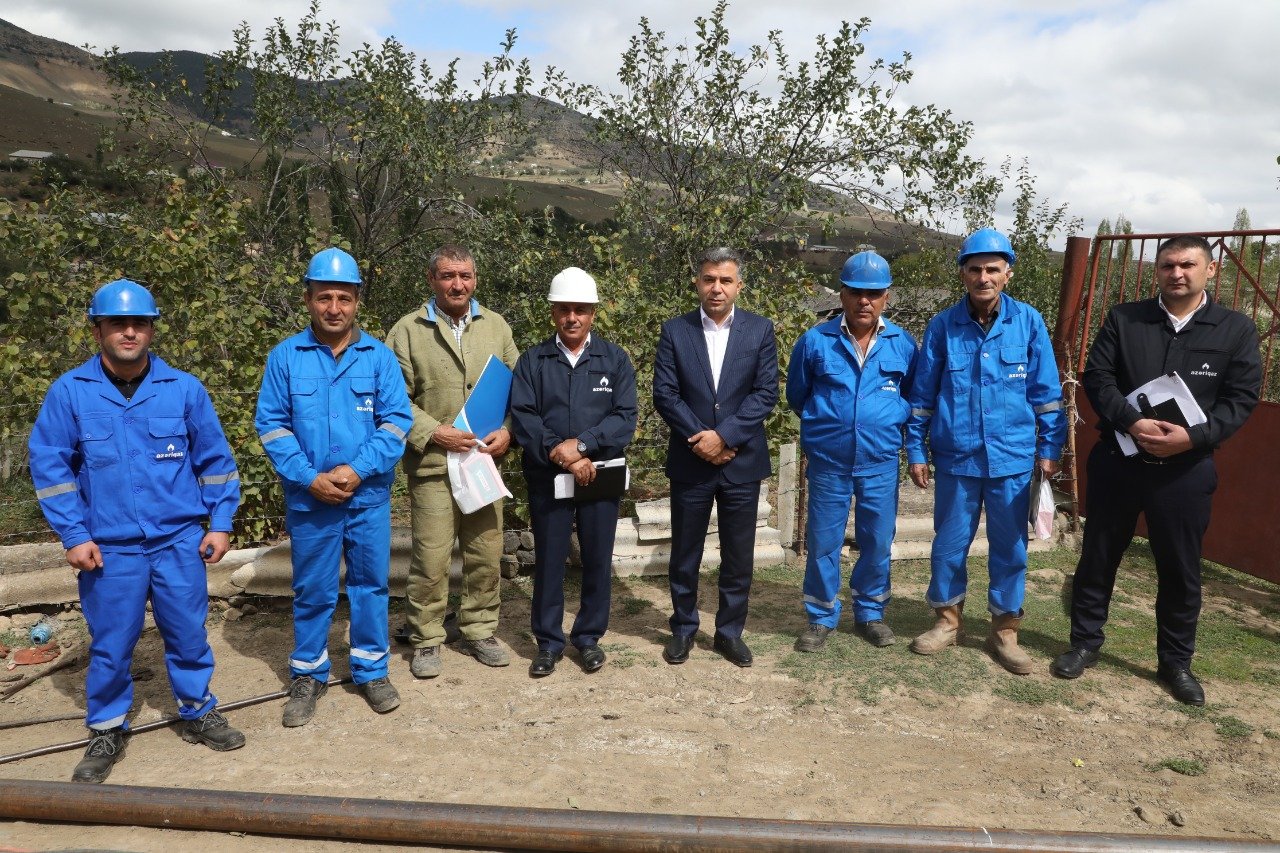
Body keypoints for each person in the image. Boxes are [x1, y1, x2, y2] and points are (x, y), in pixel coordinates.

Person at [28, 278, 245, 783]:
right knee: (111, 641)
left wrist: (221, 522)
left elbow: (215, 461)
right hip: (110, 547)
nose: (129, 333)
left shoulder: (183, 389)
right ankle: (106, 726)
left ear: (152, 329)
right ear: (97, 328)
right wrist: (74, 535)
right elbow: (51, 470)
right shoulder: (70, 393)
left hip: (177, 541)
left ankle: (196, 708)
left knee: (189, 633)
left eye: (139, 324)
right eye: (118, 324)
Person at [1051, 235, 1261, 705]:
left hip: (1186, 471)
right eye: (1168, 265)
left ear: (1211, 271)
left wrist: (1194, 438)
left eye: (1188, 265)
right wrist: (1132, 420)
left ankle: (1176, 663)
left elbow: (1240, 399)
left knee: (1181, 569)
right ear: (1158, 271)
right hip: (1119, 462)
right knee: (1099, 556)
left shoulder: (1235, 330)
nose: (1177, 273)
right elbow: (1097, 377)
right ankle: (1084, 643)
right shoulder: (1125, 319)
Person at [256, 248, 412, 726]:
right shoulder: (286, 358)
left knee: (371, 584)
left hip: (367, 498)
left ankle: (370, 669)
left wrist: (357, 470)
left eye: (344, 298)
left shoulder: (379, 359)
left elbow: (397, 423)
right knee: (313, 587)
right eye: (324, 297)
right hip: (311, 499)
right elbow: (272, 426)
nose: (334, 308)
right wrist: (309, 478)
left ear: (357, 301)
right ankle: (308, 674)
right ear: (308, 299)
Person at [905, 228, 1066, 674]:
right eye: (975, 269)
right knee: (950, 544)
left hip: (1012, 458)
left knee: (1010, 547)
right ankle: (947, 621)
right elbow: (922, 397)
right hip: (957, 457)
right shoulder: (942, 327)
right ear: (963, 275)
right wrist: (915, 450)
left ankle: (1005, 631)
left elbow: (1047, 395)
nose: (983, 277)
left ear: (1007, 274)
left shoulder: (1029, 322)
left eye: (992, 269)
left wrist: (1050, 447)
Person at [387, 245, 519, 678]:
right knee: (432, 556)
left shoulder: (496, 326)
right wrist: (433, 431)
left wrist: (509, 430)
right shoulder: (407, 330)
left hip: (482, 462)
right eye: (447, 276)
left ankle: (479, 628)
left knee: (485, 551)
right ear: (431, 280)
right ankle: (426, 637)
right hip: (434, 464)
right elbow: (393, 399)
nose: (457, 284)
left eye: (464, 275)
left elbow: (520, 386)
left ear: (475, 279)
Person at [653, 247, 779, 667]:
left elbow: (765, 394)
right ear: (698, 282)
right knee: (685, 553)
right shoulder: (675, 331)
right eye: (709, 279)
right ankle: (684, 630)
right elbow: (665, 395)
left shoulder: (760, 331)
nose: (717, 288)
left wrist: (724, 437)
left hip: (741, 462)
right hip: (691, 460)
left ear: (739, 286)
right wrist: (700, 439)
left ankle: (729, 632)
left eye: (725, 280)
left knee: (738, 555)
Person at [786, 251, 917, 652]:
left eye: (874, 293)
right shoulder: (815, 342)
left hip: (879, 462)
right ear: (842, 294)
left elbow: (913, 400)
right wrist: (830, 428)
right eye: (856, 292)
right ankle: (822, 616)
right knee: (823, 541)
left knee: (877, 539)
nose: (865, 301)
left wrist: (911, 450)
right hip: (829, 462)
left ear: (886, 298)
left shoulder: (903, 344)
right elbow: (798, 396)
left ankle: (870, 613)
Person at [510, 268, 638, 677]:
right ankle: (548, 642)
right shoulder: (533, 361)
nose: (572, 317)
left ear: (593, 313)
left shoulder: (614, 360)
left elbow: (625, 418)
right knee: (549, 559)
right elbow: (525, 416)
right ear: (553, 312)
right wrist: (560, 452)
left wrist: (583, 446)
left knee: (597, 558)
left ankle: (587, 638)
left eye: (580, 310)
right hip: (549, 475)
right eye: (564, 309)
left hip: (598, 474)